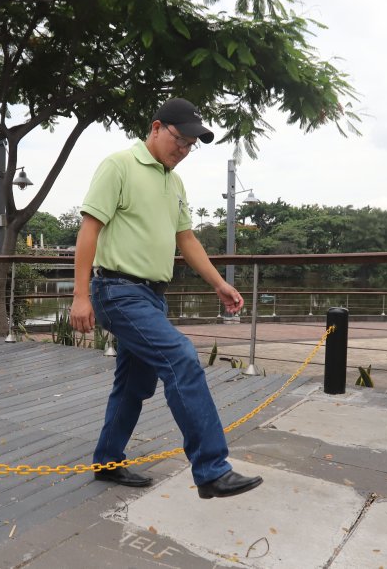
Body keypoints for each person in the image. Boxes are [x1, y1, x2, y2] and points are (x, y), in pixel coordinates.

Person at [70, 97, 264, 499]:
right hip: (117, 290)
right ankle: (211, 469)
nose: (184, 149)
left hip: (152, 297)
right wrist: (79, 296)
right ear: (156, 128)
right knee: (182, 357)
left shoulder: (174, 181)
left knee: (133, 386)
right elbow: (89, 229)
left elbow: (186, 239)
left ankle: (107, 460)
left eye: (191, 145)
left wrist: (218, 283)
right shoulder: (118, 165)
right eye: (180, 139)